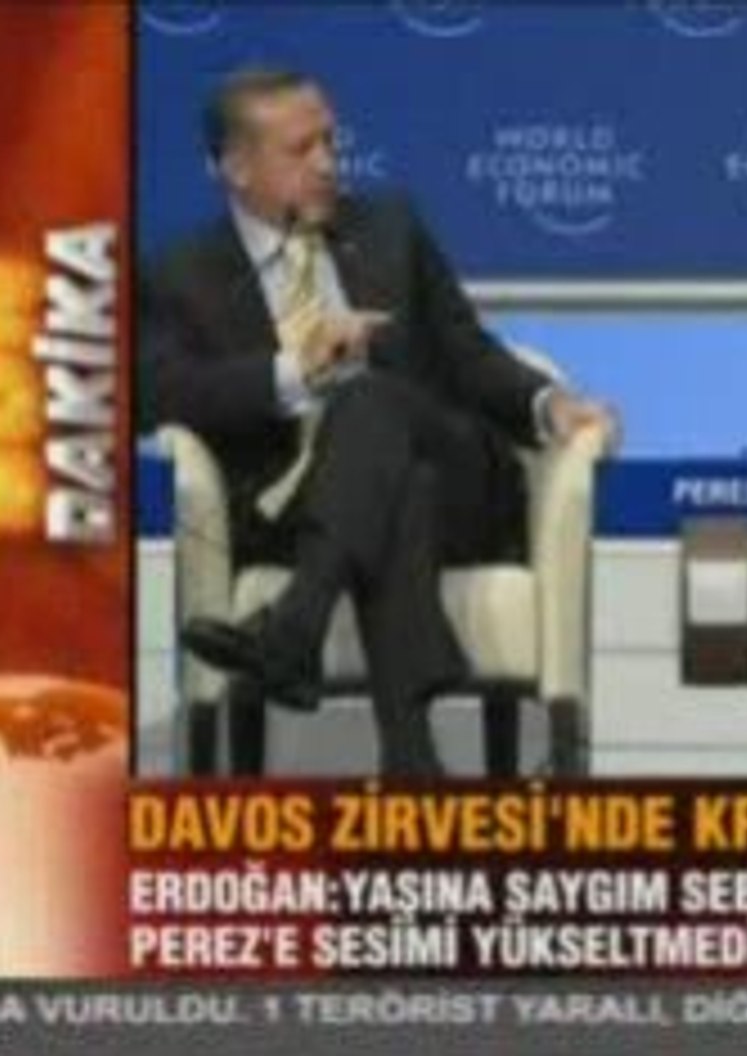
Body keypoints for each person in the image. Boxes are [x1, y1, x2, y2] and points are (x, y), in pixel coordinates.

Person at [143, 67, 615, 777]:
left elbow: (468, 352)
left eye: (330, 142)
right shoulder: (182, 273)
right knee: (402, 489)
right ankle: (411, 759)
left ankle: (295, 626)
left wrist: (549, 403)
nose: (327, 163)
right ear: (237, 167)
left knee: (369, 400)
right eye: (300, 149)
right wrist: (295, 371)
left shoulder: (390, 227)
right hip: (298, 508)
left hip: (461, 486)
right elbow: (164, 394)